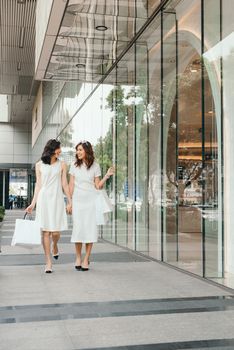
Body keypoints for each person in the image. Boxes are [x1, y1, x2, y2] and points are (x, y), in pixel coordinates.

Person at [26, 139, 72, 273]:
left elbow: (64, 184)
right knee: (45, 231)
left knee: (56, 232)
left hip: (57, 199)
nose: (60, 151)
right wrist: (33, 203)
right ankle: (48, 262)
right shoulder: (39, 165)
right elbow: (38, 185)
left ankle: (55, 245)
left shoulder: (62, 164)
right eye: (59, 149)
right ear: (52, 149)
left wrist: (69, 201)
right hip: (44, 199)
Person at [69, 141, 114, 271]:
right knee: (78, 229)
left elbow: (97, 186)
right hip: (77, 201)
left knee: (90, 230)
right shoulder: (73, 166)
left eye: (80, 150)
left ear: (87, 151)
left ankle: (86, 258)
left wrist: (106, 176)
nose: (78, 152)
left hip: (91, 201)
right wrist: (70, 202)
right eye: (77, 150)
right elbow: (71, 184)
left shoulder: (95, 166)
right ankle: (78, 257)